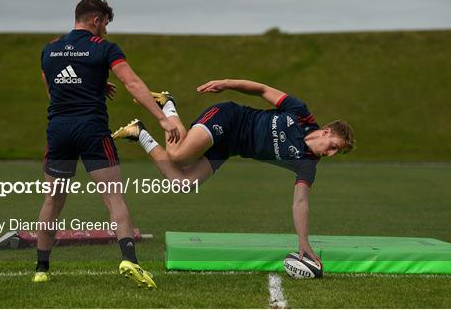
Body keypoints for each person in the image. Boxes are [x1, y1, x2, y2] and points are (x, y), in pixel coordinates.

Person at [112, 79, 355, 267]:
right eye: (334, 147)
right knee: (178, 155)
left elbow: (300, 202)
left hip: (230, 147)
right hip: (229, 118)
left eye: (337, 153)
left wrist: (303, 242)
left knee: (182, 183)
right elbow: (261, 89)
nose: (331, 154)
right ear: (325, 132)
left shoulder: (307, 164)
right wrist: (226, 83)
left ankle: (139, 133)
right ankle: (168, 104)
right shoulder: (299, 113)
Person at [35, 0, 180, 288]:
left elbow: (54, 89)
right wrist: (162, 119)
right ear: (96, 20)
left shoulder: (49, 49)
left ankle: (41, 269)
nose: (106, 31)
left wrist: (94, 83)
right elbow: (133, 83)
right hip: (91, 129)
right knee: (114, 197)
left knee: (53, 199)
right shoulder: (105, 48)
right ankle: (130, 260)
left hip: (59, 130)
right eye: (105, 24)